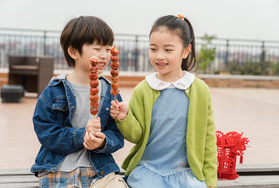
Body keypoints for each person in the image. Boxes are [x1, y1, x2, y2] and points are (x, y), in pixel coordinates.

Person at [110, 14, 217, 188]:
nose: (159, 56)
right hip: (148, 170)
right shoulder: (143, 90)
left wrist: (210, 180)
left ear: (186, 51)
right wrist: (124, 117)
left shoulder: (200, 90)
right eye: (153, 49)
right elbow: (136, 136)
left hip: (187, 174)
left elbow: (208, 139)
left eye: (168, 50)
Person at [31, 16, 127, 188]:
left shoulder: (110, 92)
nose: (104, 55)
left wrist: (103, 140)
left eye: (107, 49)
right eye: (97, 48)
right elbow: (45, 131)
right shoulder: (55, 89)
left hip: (100, 170)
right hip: (58, 169)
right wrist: (81, 134)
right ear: (73, 52)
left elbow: (117, 134)